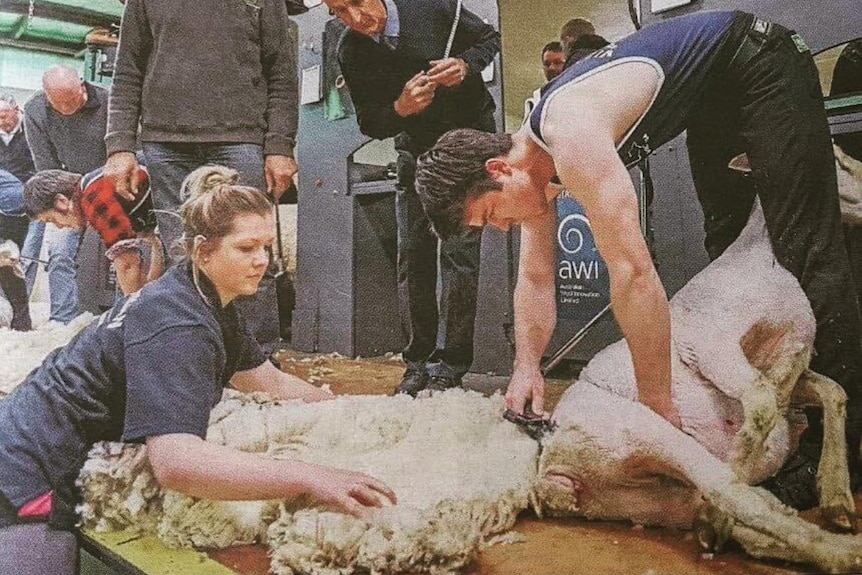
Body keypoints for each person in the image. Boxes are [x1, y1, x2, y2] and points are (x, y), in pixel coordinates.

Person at [414, 11, 862, 510]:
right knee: (729, 245)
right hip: (712, 98)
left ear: (498, 169)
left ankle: (840, 447)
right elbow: (537, 278)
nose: (500, 228)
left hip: (760, 61)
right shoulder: (533, 169)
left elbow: (632, 274)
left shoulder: (570, 134)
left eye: (491, 214)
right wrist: (526, 368)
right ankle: (770, 406)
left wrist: (656, 406)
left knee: (807, 253)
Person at [0, 165, 396, 574]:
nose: (262, 261)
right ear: (203, 250)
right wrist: (310, 477)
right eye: (246, 249)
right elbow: (176, 463)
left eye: (266, 246)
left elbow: (266, 380)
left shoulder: (202, 299)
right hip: (23, 476)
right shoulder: (178, 323)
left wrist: (358, 413)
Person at [324, 0, 500, 395]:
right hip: (415, 152)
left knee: (460, 255)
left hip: (468, 146)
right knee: (414, 256)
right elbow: (371, 120)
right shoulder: (349, 48)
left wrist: (465, 65)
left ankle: (451, 366)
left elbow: (490, 37)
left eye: (355, 1)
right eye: (337, 11)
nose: (354, 18)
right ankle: (417, 362)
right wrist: (399, 109)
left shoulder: (431, 5)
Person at [104, 0, 299, 353]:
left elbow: (282, 73)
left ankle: (257, 361)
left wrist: (280, 146)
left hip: (241, 138)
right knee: (186, 257)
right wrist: (119, 145)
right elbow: (128, 70)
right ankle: (198, 357)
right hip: (166, 142)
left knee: (251, 251)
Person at [23, 66, 111, 324]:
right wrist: (60, 204)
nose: (66, 109)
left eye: (71, 100)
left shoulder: (107, 101)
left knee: (114, 253)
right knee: (60, 253)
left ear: (82, 86)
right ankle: (63, 321)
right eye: (58, 103)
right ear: (46, 97)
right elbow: (46, 166)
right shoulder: (35, 110)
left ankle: (108, 318)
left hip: (109, 189)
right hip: (68, 194)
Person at [23, 166, 164, 296]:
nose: (58, 226)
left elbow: (127, 265)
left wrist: (131, 310)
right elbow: (155, 245)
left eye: (51, 220)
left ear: (62, 201)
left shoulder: (94, 197)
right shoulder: (95, 186)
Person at [0, 169, 31, 331]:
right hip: (20, 212)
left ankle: (21, 323)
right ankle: (22, 323)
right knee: (8, 267)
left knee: (7, 265)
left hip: (8, 212)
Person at [0, 95, 35, 184]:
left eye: (3, 117)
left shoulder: (33, 127)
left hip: (29, 184)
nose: (0, 122)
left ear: (16, 110)